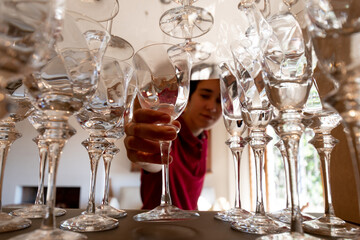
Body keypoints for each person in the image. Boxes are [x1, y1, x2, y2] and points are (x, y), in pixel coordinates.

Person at [124, 63, 222, 210]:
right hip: (156, 228)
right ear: (188, 97)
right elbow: (154, 163)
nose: (212, 106)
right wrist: (147, 148)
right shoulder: (168, 126)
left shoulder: (203, 137)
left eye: (220, 101)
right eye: (205, 95)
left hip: (189, 227)